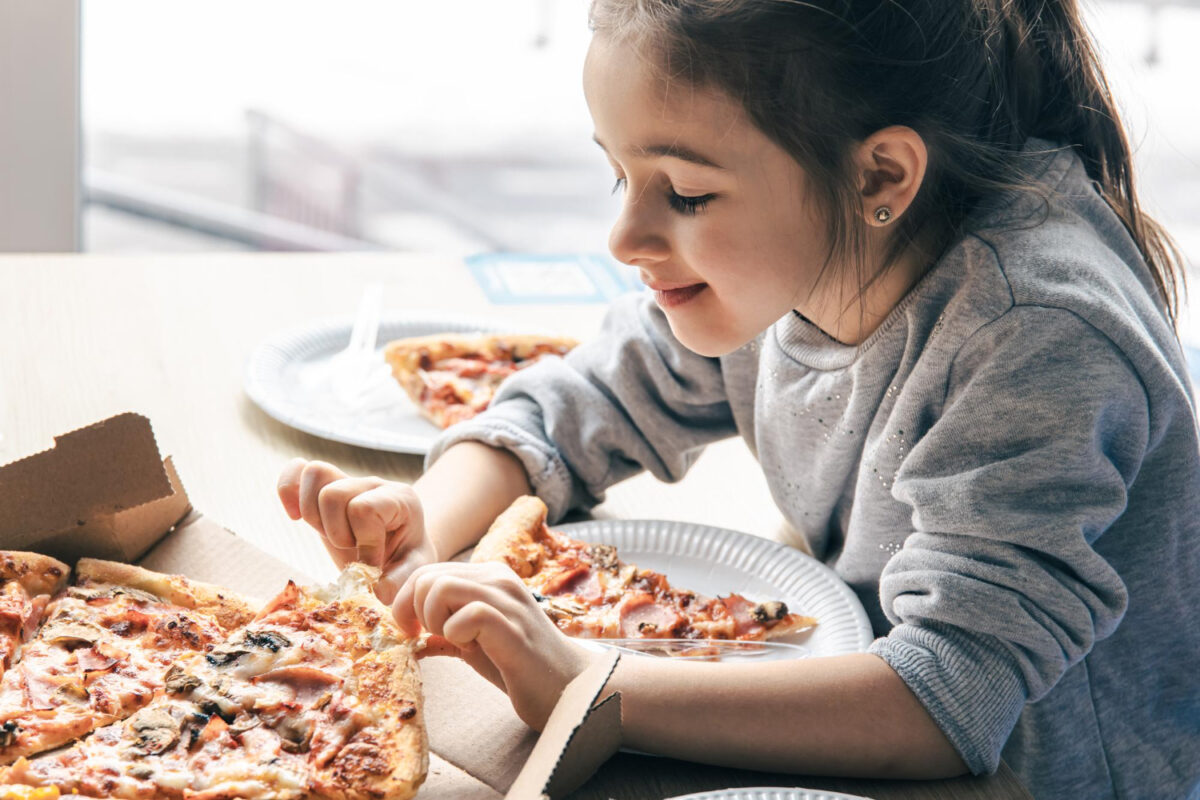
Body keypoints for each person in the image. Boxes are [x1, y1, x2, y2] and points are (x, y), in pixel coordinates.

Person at [276, 1, 1200, 797]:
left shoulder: (1035, 338)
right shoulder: (796, 246)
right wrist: (422, 526)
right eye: (618, 174)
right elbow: (585, 395)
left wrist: (590, 686)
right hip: (851, 708)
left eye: (682, 192)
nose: (624, 234)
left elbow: (951, 694)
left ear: (881, 175)